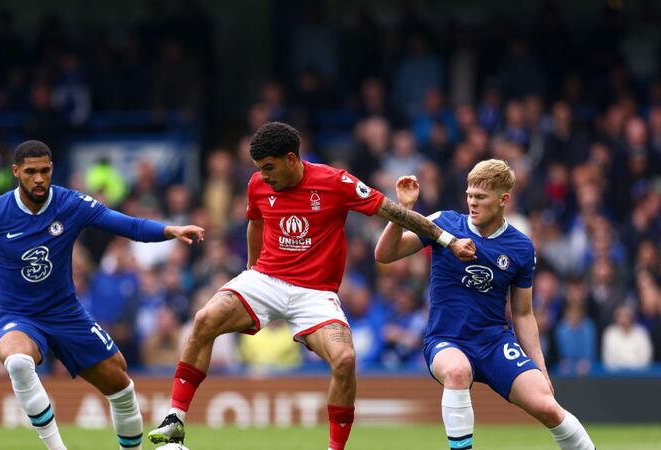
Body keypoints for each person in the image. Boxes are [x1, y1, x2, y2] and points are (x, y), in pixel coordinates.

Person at [148, 122, 476, 449]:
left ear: (292, 159)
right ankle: (175, 419)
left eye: (269, 168)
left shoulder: (336, 182)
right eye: (259, 170)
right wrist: (251, 271)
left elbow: (393, 212)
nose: (263, 177)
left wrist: (448, 240)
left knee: (345, 360)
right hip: (265, 279)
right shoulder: (257, 185)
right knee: (205, 319)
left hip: (315, 294)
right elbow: (255, 222)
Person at [0, 140, 204, 450]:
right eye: (30, 172)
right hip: (18, 316)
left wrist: (170, 231)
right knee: (16, 362)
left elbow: (127, 225)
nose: (39, 179)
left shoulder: (70, 204)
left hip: (66, 314)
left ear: (52, 168)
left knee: (121, 388)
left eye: (44, 171)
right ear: (16, 172)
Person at [374, 159, 596, 450]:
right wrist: (402, 212)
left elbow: (523, 313)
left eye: (480, 197)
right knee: (456, 372)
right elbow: (385, 254)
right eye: (469, 195)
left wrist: (539, 365)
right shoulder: (444, 223)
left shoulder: (521, 247)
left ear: (504, 200)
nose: (472, 203)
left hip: (493, 343)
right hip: (446, 339)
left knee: (547, 406)